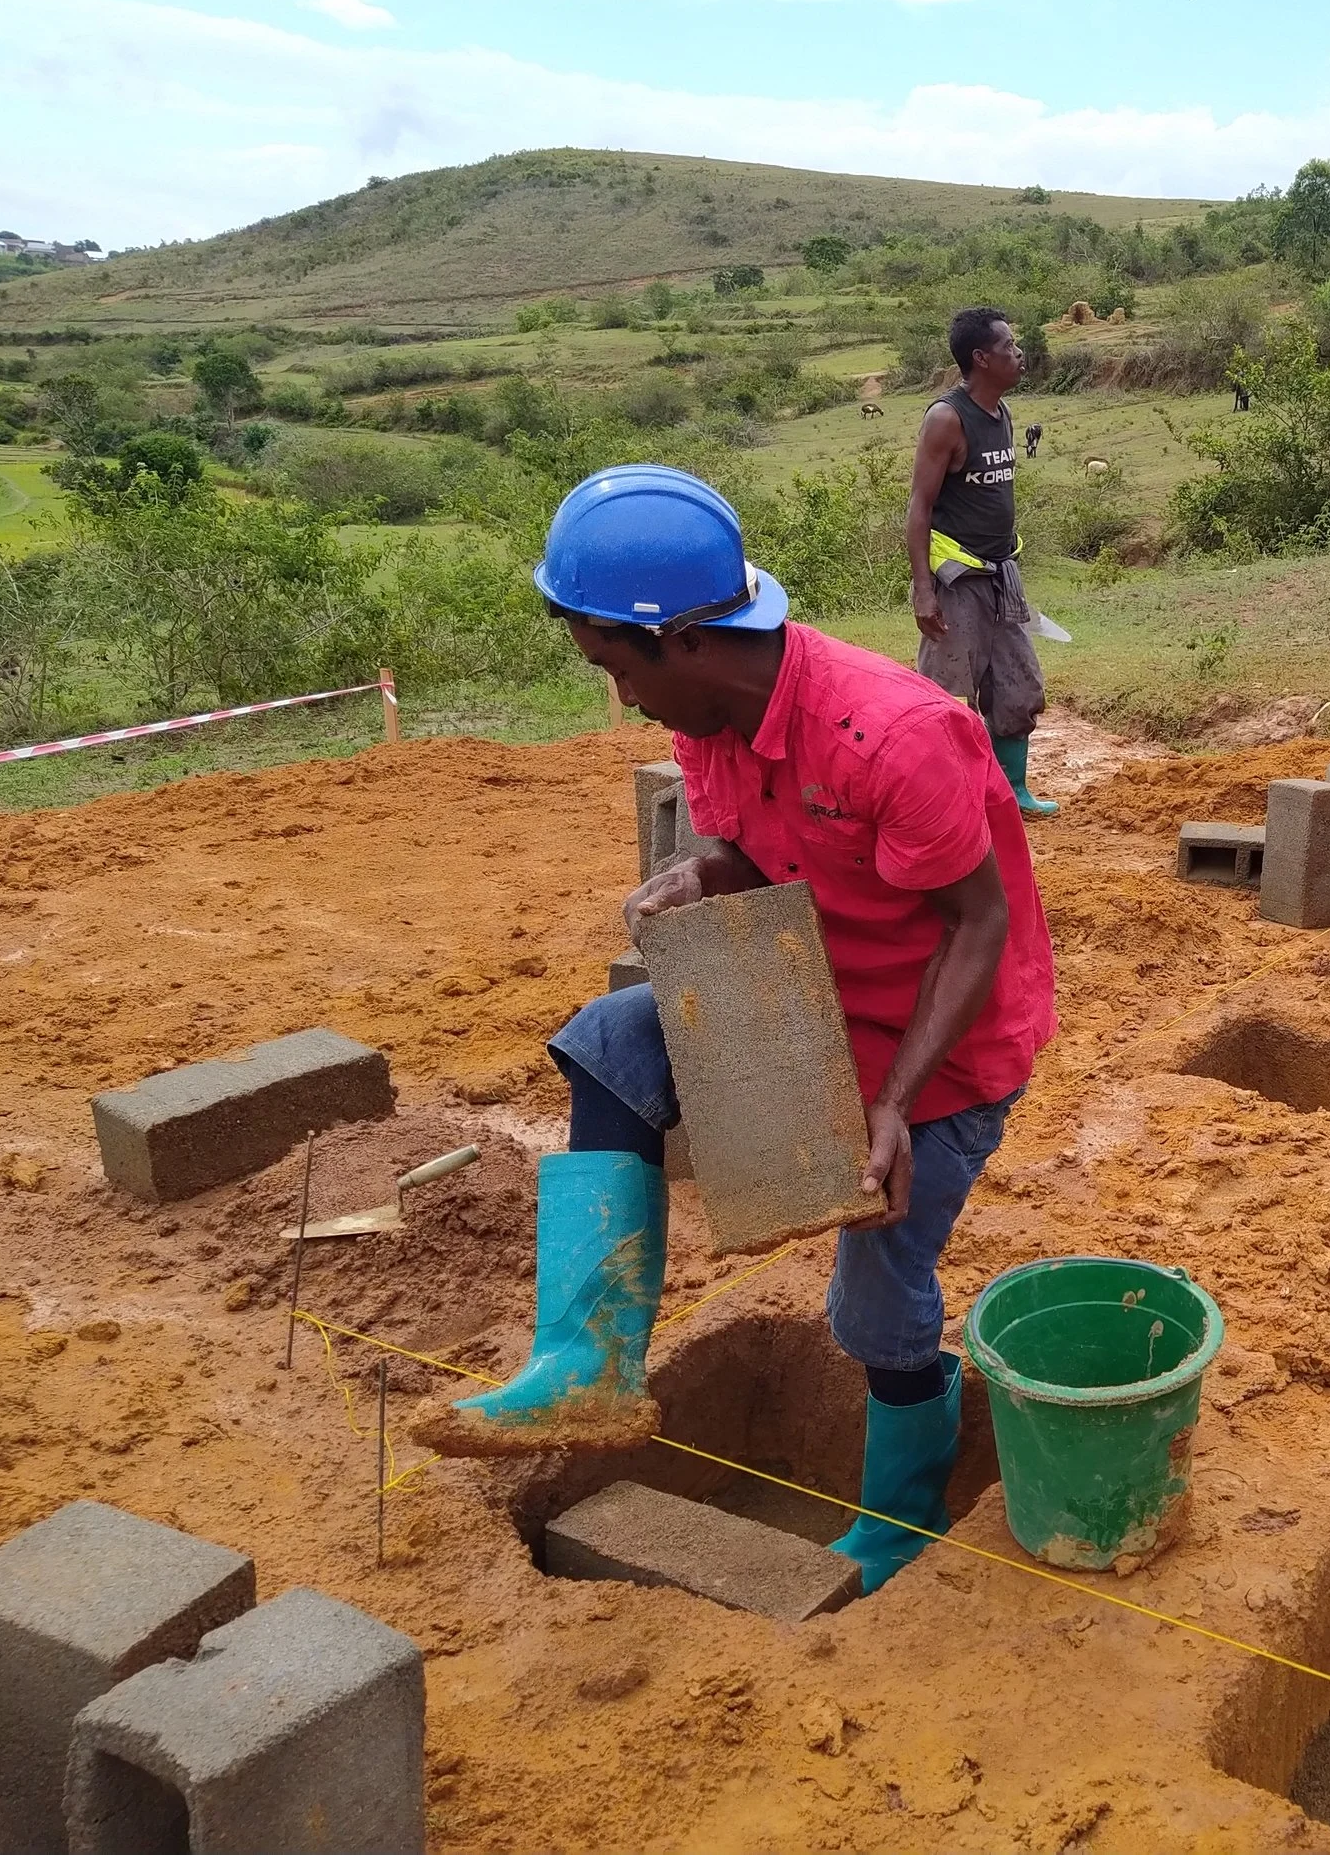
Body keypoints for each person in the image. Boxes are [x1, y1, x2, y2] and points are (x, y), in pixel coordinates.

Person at [415, 464, 1057, 1598]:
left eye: (617, 669)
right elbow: (772, 860)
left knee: (872, 1298)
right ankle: (588, 1360)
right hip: (817, 994)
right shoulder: (714, 723)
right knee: (611, 1039)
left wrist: (895, 1104)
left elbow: (977, 928)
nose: (620, 698)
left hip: (941, 1043)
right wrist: (708, 870)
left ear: (683, 644)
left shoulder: (895, 736)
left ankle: (902, 1514)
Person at [908, 306, 1056, 817]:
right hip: (956, 580)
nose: (1018, 354)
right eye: (1008, 347)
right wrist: (923, 589)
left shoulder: (1002, 413)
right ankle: (948, 802)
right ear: (980, 358)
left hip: (1000, 574)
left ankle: (1011, 792)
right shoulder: (947, 419)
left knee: (1018, 686)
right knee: (947, 696)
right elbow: (919, 507)